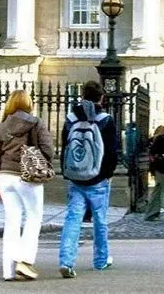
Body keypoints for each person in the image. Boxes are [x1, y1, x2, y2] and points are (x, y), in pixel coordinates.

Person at [0, 90, 55, 281]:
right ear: (28, 104)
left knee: (12, 222)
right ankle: (24, 261)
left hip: (5, 177)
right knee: (34, 218)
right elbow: (48, 149)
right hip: (27, 176)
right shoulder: (35, 123)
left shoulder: (2, 126)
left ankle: (7, 271)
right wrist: (43, 161)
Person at [57, 80, 119, 279]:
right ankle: (100, 260)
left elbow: (65, 146)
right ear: (102, 98)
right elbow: (111, 152)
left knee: (72, 219)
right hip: (98, 177)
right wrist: (107, 173)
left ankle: (66, 261)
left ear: (82, 96)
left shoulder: (71, 118)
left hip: (76, 176)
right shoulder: (105, 120)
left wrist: (67, 171)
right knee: (100, 221)